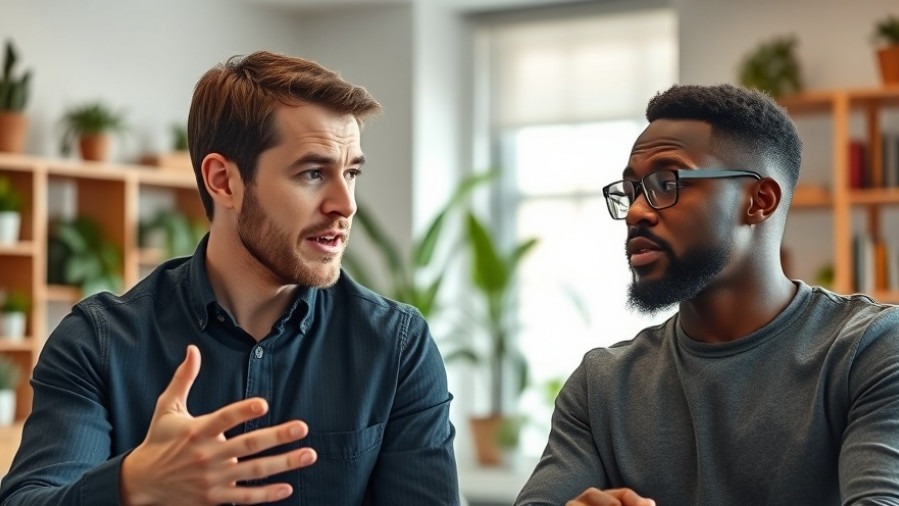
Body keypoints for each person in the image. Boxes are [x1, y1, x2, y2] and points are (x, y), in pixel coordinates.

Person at [0, 50, 459, 505]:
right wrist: (131, 483)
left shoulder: (396, 345)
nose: (346, 204)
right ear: (224, 182)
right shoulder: (97, 344)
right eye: (313, 173)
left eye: (352, 172)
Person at [515, 83, 899, 505]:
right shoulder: (601, 385)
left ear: (759, 201)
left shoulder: (870, 350)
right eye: (631, 191)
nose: (638, 211)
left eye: (667, 182)